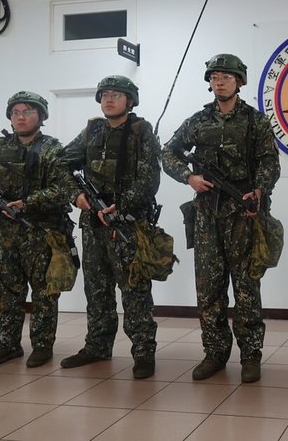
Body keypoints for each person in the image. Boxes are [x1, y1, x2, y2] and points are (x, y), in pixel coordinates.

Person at [162, 54, 280, 383]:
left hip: (244, 212)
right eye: (214, 76)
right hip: (207, 216)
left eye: (226, 76)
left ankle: (251, 355)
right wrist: (189, 178)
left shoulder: (255, 121)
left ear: (240, 81)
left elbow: (270, 161)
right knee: (209, 289)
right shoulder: (199, 121)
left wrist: (260, 190)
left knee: (246, 288)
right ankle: (214, 352)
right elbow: (168, 152)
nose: (219, 81)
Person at [0, 91, 74, 368]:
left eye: (27, 112)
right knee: (7, 292)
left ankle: (42, 345)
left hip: (42, 232)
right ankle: (7, 344)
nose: (20, 117)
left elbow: (64, 189)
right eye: (15, 112)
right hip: (7, 234)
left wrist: (28, 203)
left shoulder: (53, 150)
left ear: (41, 116)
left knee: (45, 293)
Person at [61, 75, 161, 380]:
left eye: (116, 94)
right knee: (97, 288)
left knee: (134, 290)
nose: (108, 99)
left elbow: (149, 179)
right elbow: (61, 163)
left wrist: (123, 204)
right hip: (93, 224)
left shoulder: (140, 132)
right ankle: (97, 346)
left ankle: (143, 351)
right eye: (104, 94)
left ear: (129, 100)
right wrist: (76, 195)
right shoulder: (92, 131)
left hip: (127, 223)